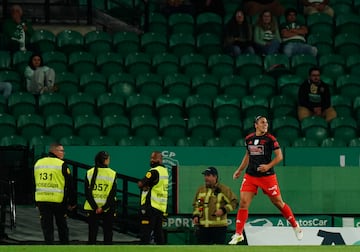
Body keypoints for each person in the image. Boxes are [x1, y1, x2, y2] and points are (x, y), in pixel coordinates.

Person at [228, 116, 303, 245]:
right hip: (251, 176)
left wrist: (268, 166)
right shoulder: (249, 139)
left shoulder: (270, 139)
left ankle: (295, 226)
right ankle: (238, 234)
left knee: (278, 203)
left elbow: (279, 156)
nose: (265, 124)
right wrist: (239, 170)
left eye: (266, 122)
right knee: (244, 202)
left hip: (267, 177)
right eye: (262, 122)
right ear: (255, 124)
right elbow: (248, 154)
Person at [33, 143, 76, 245]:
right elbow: (70, 185)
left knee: (47, 227)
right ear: (55, 151)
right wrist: (72, 202)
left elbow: (33, 181)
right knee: (62, 226)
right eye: (61, 151)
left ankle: (49, 247)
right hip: (58, 200)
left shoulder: (38, 163)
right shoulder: (62, 165)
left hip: (42, 200)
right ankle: (64, 247)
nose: (63, 153)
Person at [192, 166, 238, 244]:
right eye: (205, 175)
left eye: (208, 176)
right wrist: (196, 215)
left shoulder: (224, 189)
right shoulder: (201, 190)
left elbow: (234, 202)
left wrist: (223, 210)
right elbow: (197, 204)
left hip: (219, 227)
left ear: (215, 177)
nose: (206, 178)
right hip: (203, 227)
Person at [84, 151, 117, 245]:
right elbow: (112, 194)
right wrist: (103, 208)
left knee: (92, 234)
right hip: (108, 208)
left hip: (92, 208)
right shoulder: (112, 173)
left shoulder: (89, 172)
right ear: (105, 160)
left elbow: (87, 193)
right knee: (108, 233)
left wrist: (96, 207)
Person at [137, 151, 169, 245]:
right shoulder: (165, 172)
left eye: (154, 158)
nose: (151, 160)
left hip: (150, 206)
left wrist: (143, 185)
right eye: (151, 158)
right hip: (160, 207)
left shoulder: (154, 171)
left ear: (159, 159)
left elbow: (141, 183)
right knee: (158, 233)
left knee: (145, 233)